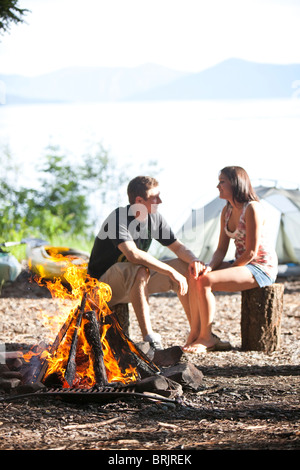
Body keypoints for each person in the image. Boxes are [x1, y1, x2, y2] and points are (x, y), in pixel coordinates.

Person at [88, 176, 203, 350]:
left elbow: (178, 248)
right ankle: (149, 339)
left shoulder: (154, 218)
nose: (160, 201)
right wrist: (170, 272)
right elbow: (133, 254)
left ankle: (197, 334)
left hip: (132, 282)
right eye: (155, 197)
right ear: (139, 201)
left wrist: (194, 261)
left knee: (185, 267)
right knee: (140, 269)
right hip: (101, 288)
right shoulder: (119, 217)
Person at [183, 166, 278, 353]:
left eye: (222, 181)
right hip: (243, 264)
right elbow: (220, 249)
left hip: (260, 267)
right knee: (197, 275)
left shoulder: (252, 209)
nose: (218, 186)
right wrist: (210, 266)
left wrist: (228, 270)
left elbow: (251, 252)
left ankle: (206, 338)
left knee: (207, 281)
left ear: (235, 184)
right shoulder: (226, 211)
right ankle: (195, 333)